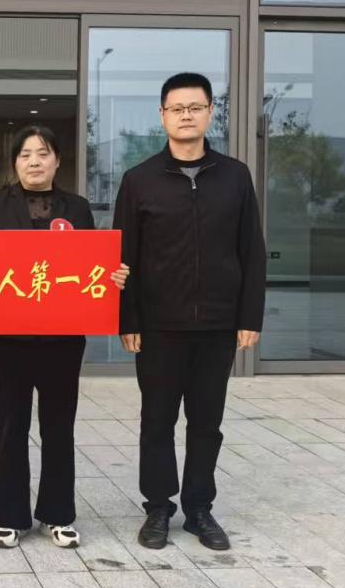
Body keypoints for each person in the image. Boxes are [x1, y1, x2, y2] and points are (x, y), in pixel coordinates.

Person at [0, 126, 129, 549]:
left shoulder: (77, 208)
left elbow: (92, 265)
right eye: (26, 154)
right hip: (8, 339)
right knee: (11, 425)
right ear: (15, 162)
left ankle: (57, 514)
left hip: (62, 340)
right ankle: (10, 517)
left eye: (43, 153)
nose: (34, 161)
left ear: (57, 161)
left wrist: (113, 276)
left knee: (59, 426)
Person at [113, 72, 266, 552]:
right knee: (157, 420)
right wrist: (128, 319)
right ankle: (158, 506)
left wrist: (250, 316)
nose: (186, 115)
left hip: (218, 325)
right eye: (176, 108)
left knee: (206, 422)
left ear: (210, 113)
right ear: (162, 116)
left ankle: (199, 508)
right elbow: (123, 257)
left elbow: (252, 251)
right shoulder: (139, 180)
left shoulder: (235, 176)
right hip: (158, 327)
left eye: (195, 107)